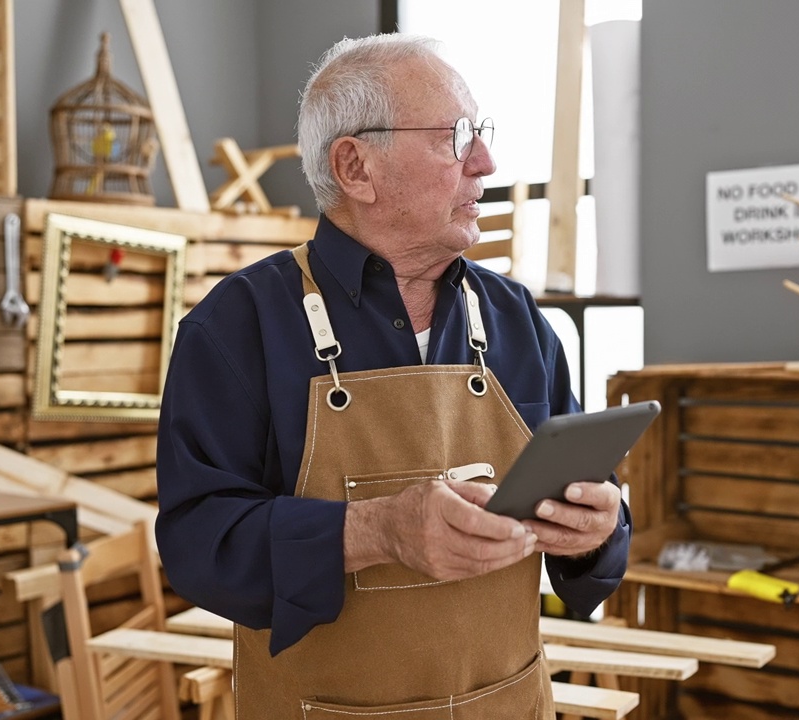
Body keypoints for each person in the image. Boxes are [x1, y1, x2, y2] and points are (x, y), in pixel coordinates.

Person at [155, 33, 630, 718]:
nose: (486, 162)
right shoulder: (236, 327)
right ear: (356, 166)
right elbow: (200, 544)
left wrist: (601, 528)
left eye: (482, 134)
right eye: (455, 137)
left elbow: (592, 518)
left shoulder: (519, 319)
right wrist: (376, 532)